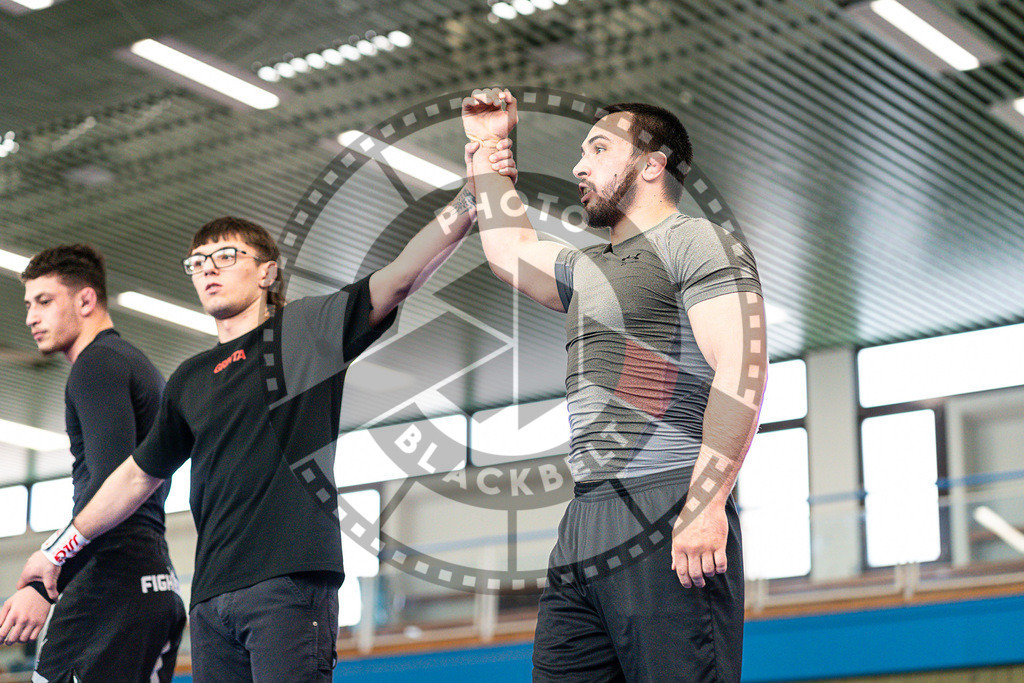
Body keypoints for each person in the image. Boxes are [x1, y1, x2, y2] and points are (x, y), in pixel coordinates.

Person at [12, 154, 515, 682]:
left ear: (267, 272)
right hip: (211, 600)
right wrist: (55, 551)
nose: (208, 268)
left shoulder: (304, 333)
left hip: (288, 585)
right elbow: (135, 477)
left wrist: (471, 197)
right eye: (197, 262)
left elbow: (400, 277)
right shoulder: (189, 378)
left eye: (226, 256)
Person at [462, 88, 768, 681]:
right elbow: (509, 249)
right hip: (586, 516)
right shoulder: (588, 268)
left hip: (667, 498)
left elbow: (742, 367)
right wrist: (485, 147)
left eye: (599, 149)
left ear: (652, 165)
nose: (579, 166)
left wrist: (706, 503)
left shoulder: (697, 241)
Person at [0, 244, 186, 682]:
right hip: (156, 580)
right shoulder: (134, 363)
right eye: (28, 305)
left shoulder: (97, 364)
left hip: (111, 582)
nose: (31, 317)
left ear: (86, 300)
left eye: (44, 301)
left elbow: (110, 481)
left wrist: (47, 581)